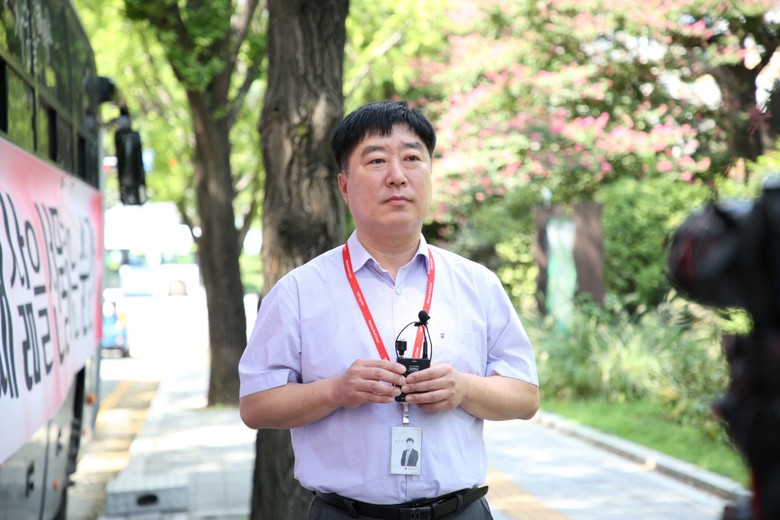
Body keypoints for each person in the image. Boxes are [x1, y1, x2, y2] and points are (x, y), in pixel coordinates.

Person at [239, 100, 539, 520]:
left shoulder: (477, 284)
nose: (397, 176)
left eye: (412, 158)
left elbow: (525, 396)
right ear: (344, 186)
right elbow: (255, 406)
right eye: (376, 160)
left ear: (430, 174)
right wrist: (335, 391)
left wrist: (464, 389)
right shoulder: (298, 292)